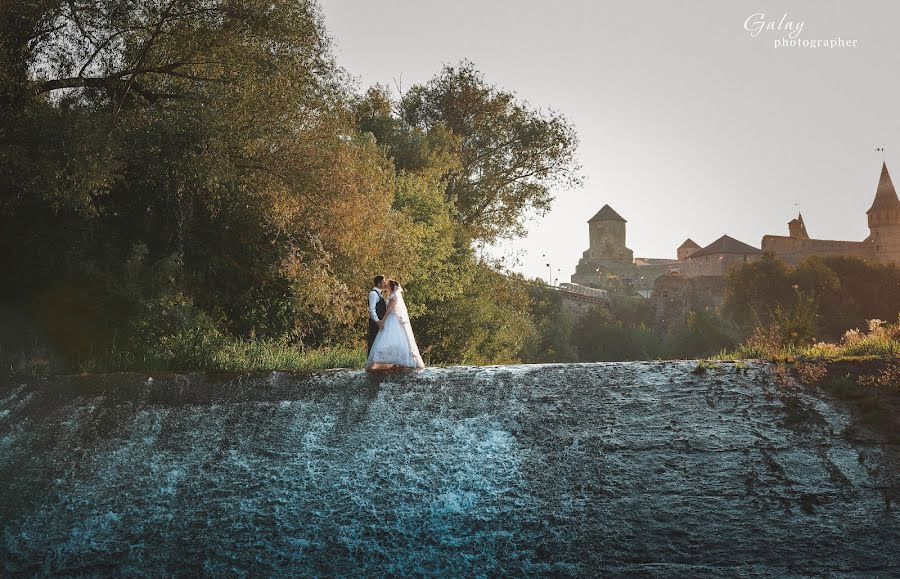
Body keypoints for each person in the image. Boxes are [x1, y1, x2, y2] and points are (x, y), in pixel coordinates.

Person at [365, 279, 425, 371]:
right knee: (391, 340)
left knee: (391, 339)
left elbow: (389, 309)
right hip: (392, 318)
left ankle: (396, 362)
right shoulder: (388, 295)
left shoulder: (393, 296)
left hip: (392, 319)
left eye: (387, 284)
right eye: (384, 282)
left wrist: (383, 320)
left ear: (390, 287)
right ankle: (392, 362)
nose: (385, 285)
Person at [367, 275, 388, 354]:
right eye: (383, 282)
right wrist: (377, 321)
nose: (385, 284)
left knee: (379, 343)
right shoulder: (373, 294)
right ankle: (370, 362)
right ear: (379, 284)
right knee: (373, 342)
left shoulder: (379, 294)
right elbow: (372, 310)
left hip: (380, 322)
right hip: (375, 323)